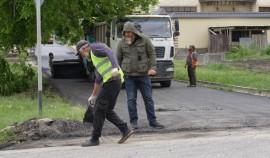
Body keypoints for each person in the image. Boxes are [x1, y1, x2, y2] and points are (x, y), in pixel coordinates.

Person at [76, 40, 133, 147]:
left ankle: (94, 139)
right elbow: (98, 79)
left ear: (83, 48)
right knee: (106, 110)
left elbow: (110, 52)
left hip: (112, 80)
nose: (82, 55)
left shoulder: (95, 47)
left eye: (81, 53)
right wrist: (93, 95)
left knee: (98, 109)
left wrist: (115, 67)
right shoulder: (94, 57)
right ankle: (125, 129)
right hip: (114, 81)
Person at [116, 21, 164, 130]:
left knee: (148, 98)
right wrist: (117, 73)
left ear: (134, 32)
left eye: (129, 32)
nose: (127, 34)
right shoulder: (121, 43)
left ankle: (152, 121)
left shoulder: (145, 40)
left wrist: (153, 68)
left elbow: (152, 54)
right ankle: (133, 122)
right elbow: (118, 59)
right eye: (125, 32)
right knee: (131, 99)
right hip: (129, 76)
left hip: (143, 75)